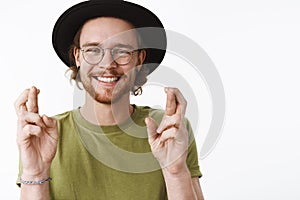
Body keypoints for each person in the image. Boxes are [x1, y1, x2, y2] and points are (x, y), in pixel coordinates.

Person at [14, 0, 204, 199]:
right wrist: (34, 174)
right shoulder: (42, 136)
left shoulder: (168, 131)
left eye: (122, 51)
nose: (107, 64)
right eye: (93, 50)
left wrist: (176, 172)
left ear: (139, 60)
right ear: (78, 57)